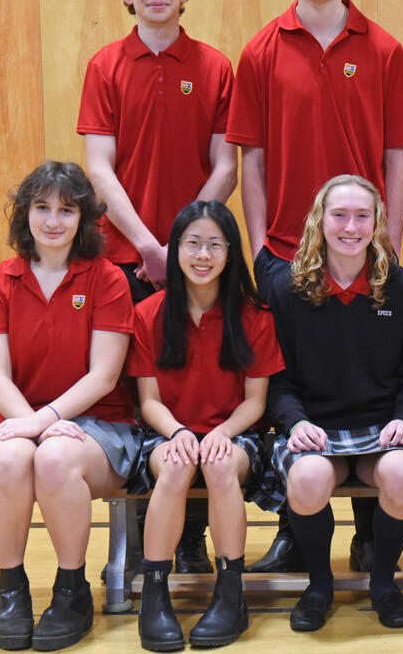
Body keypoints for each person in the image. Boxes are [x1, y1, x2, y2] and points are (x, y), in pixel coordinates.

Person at [227, 0, 403, 573]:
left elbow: (397, 157)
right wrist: (259, 247)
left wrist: (387, 243)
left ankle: (371, 534)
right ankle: (293, 527)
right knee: (298, 386)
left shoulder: (385, 50)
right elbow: (250, 158)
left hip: (363, 246)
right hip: (285, 248)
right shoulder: (260, 50)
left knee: (365, 376)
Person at [79, 0, 235, 576]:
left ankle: (193, 536)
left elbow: (226, 165)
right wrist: (148, 245)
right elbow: (98, 168)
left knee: (195, 395)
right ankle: (146, 539)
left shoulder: (216, 66)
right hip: (126, 260)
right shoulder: (105, 65)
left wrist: (186, 243)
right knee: (139, 399)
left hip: (198, 258)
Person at [0, 162, 139, 651]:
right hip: (22, 421)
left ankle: (71, 591)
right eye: (42, 207)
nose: (52, 220)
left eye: (66, 210)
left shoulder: (107, 279)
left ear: (83, 219)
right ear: (24, 214)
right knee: (5, 457)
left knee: (55, 456)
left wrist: (44, 424)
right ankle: (13, 590)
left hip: (100, 427)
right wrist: (29, 425)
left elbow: (104, 376)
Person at [262, 175, 403, 632]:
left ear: (377, 223)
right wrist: (294, 423)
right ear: (321, 221)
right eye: (340, 215)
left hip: (382, 430)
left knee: (402, 474)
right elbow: (274, 380)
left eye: (363, 216)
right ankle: (319, 585)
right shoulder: (285, 289)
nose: (351, 227)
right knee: (310, 477)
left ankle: (382, 584)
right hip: (316, 428)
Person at [129, 201, 283, 650]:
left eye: (215, 245)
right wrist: (178, 433)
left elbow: (255, 403)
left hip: (235, 434)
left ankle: (230, 591)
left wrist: (221, 434)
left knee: (217, 467)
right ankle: (155, 594)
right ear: (175, 250)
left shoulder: (255, 316)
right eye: (192, 243)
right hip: (167, 431)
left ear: (231, 253)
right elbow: (148, 401)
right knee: (176, 467)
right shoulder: (149, 314)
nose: (203, 255)